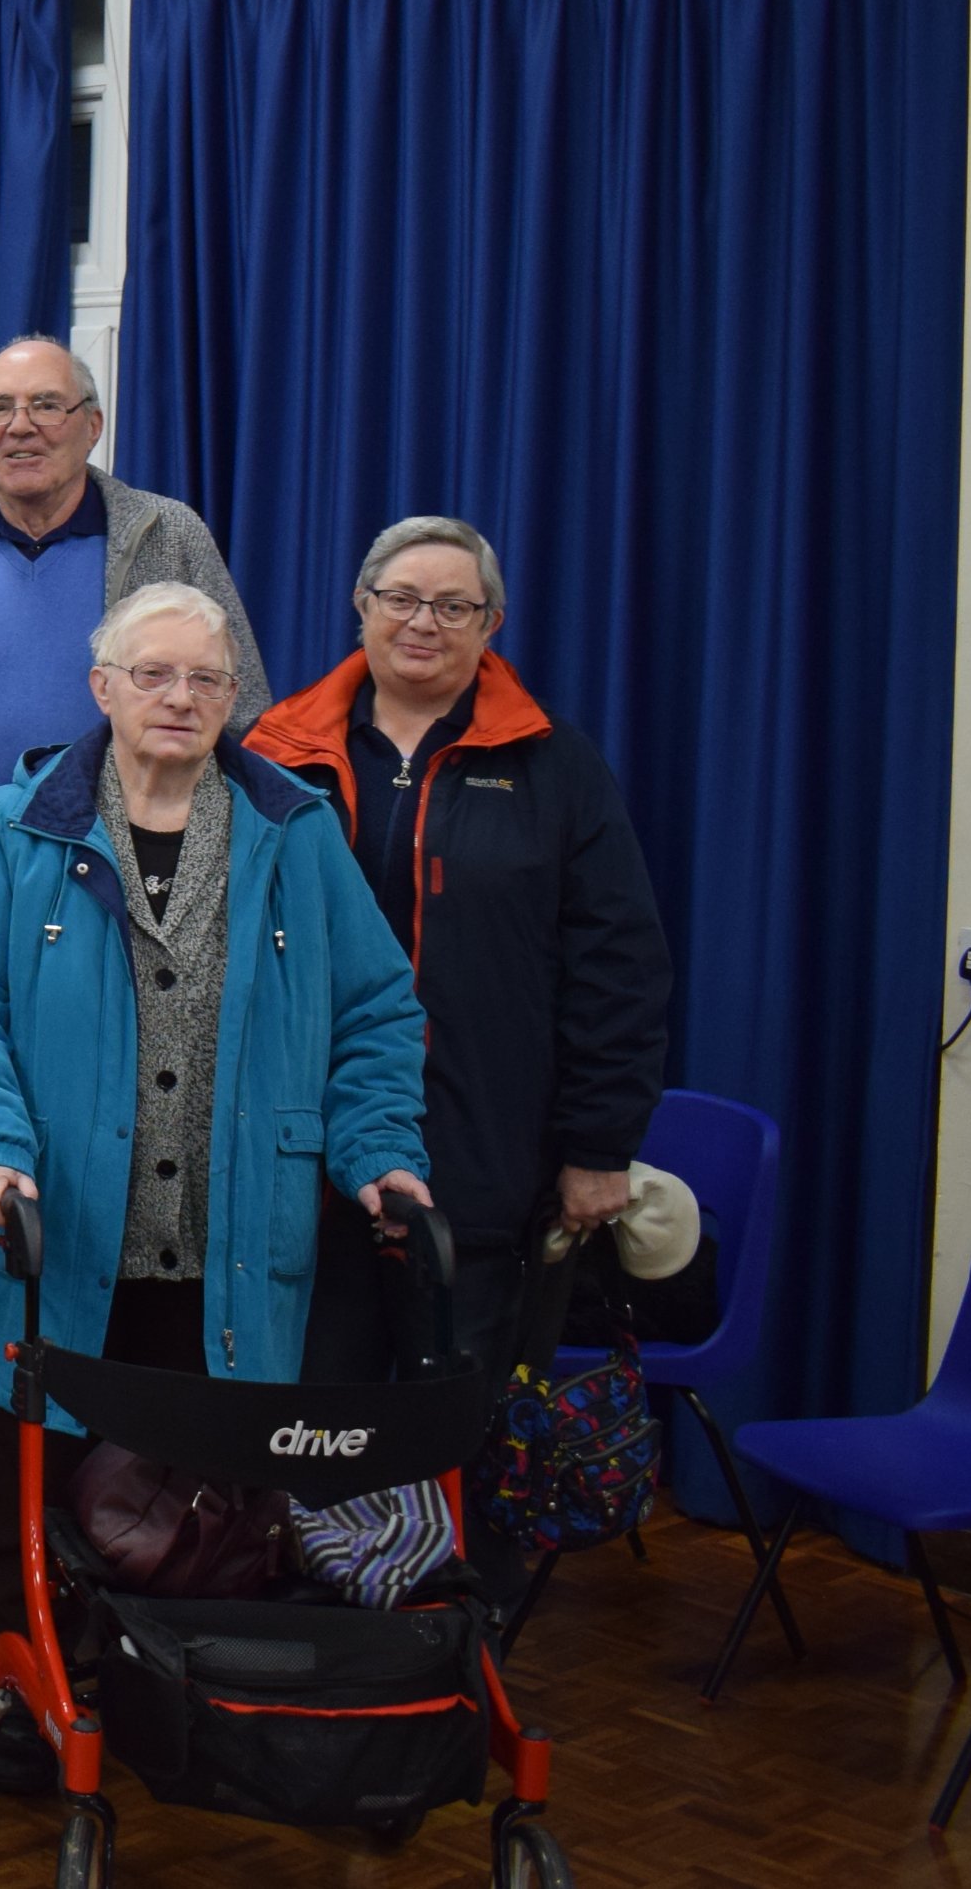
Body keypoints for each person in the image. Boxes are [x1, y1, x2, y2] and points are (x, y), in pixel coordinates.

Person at [0, 584, 434, 1659]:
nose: (178, 697)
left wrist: (378, 1150)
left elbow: (376, 1009)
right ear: (102, 687)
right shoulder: (11, 828)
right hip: (51, 1236)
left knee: (204, 1513)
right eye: (152, 673)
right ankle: (22, 1696)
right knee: (27, 1498)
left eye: (204, 677)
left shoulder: (294, 831)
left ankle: (174, 1704)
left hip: (230, 1245)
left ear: (233, 695)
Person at [0, 334, 267, 1622]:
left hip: (146, 950)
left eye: (46, 407)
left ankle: (140, 1532)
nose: (19, 428)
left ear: (92, 423)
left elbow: (235, 704)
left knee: (135, 1260)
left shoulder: (166, 535)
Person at [248, 518, 673, 1378]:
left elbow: (620, 966)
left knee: (456, 1416)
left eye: (454, 604)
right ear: (361, 606)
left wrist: (598, 1148)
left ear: (491, 624)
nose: (423, 622)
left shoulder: (555, 765)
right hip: (301, 1145)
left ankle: (454, 1522)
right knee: (309, 1413)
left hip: (485, 1150)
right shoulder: (271, 754)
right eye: (401, 598)